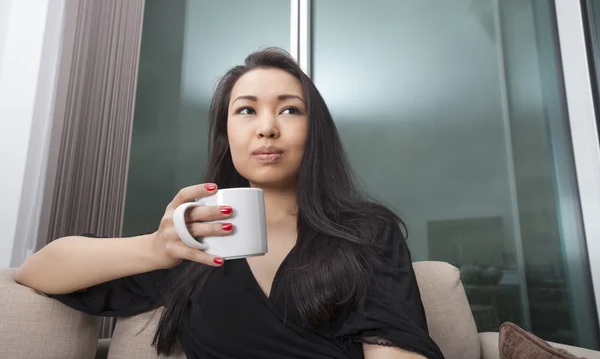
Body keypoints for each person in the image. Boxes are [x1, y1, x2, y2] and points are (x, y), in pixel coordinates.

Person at [15, 48, 444, 359]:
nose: (267, 129)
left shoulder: (367, 234)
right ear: (227, 135)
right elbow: (38, 271)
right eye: (246, 111)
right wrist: (154, 248)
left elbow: (399, 350)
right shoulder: (190, 244)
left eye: (290, 110)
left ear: (316, 132)